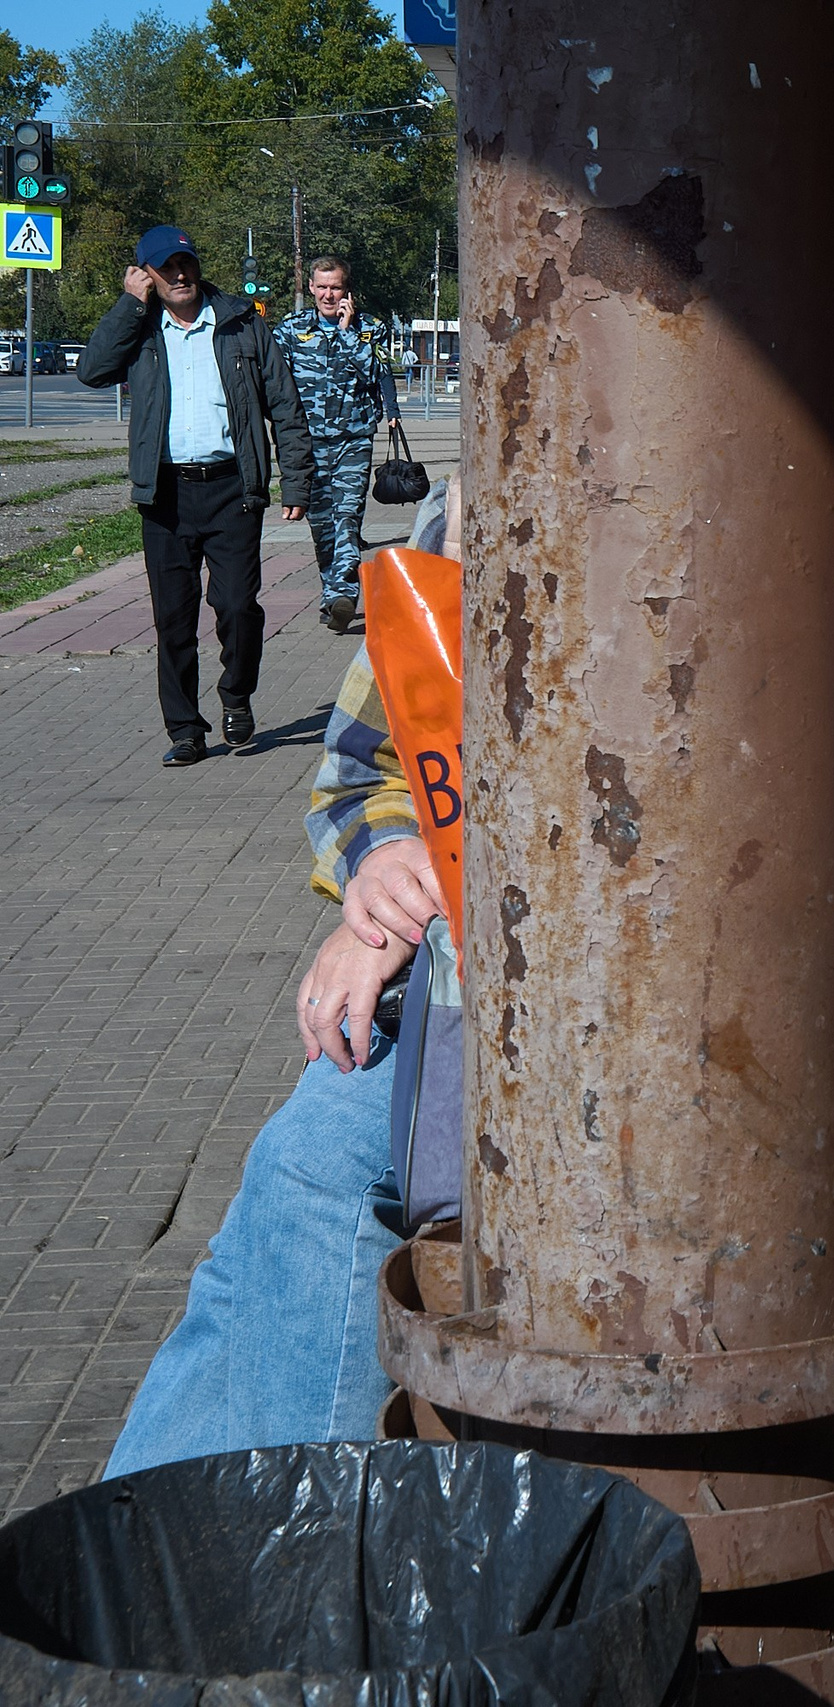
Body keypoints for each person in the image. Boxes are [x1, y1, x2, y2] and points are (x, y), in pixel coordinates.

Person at [105, 631, 440, 1476]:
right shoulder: (443, 561)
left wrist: (425, 914)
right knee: (261, 1229)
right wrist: (392, 877)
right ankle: (135, 1537)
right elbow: (363, 772)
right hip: (457, 967)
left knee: (316, 1173)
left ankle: (294, 1541)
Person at [81, 225, 314, 767]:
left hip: (232, 490)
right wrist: (129, 304)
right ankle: (185, 729)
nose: (179, 274)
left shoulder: (241, 324)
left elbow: (285, 405)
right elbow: (92, 371)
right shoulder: (140, 327)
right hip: (165, 495)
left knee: (237, 607)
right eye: (165, 267)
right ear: (145, 275)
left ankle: (236, 695)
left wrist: (296, 480)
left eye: (185, 263)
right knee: (174, 619)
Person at [279, 255, 405, 633]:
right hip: (309, 443)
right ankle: (331, 594)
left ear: (347, 290)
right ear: (311, 287)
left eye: (335, 287)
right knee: (322, 525)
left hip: (354, 438)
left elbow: (375, 373)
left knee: (347, 517)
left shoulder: (371, 329)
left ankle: (343, 595)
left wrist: (349, 333)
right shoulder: (291, 330)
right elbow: (274, 383)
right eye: (322, 287)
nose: (328, 295)